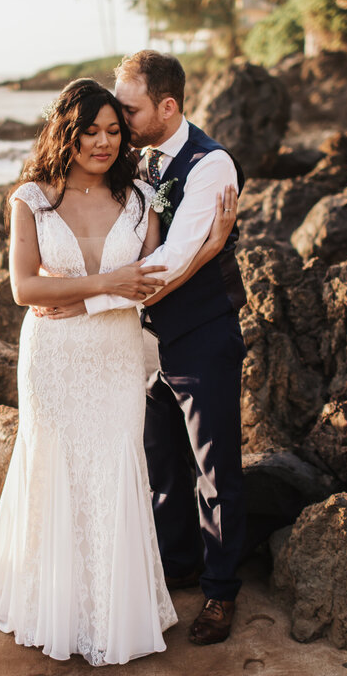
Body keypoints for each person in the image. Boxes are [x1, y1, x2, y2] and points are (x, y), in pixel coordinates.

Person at [0, 78, 237, 666]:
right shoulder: (31, 199)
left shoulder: (140, 197)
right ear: (65, 131)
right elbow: (24, 288)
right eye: (90, 131)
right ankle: (57, 603)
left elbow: (151, 280)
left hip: (116, 357)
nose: (104, 142)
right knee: (59, 466)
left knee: (116, 463)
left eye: (115, 130)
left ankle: (115, 607)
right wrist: (101, 284)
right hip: (56, 356)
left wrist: (211, 247)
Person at [80, 51, 247, 646]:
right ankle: (178, 563)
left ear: (168, 107)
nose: (120, 120)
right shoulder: (137, 158)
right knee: (162, 459)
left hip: (202, 333)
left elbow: (171, 261)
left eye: (130, 109)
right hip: (144, 340)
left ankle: (222, 591)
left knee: (214, 467)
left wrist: (85, 302)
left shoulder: (212, 166)